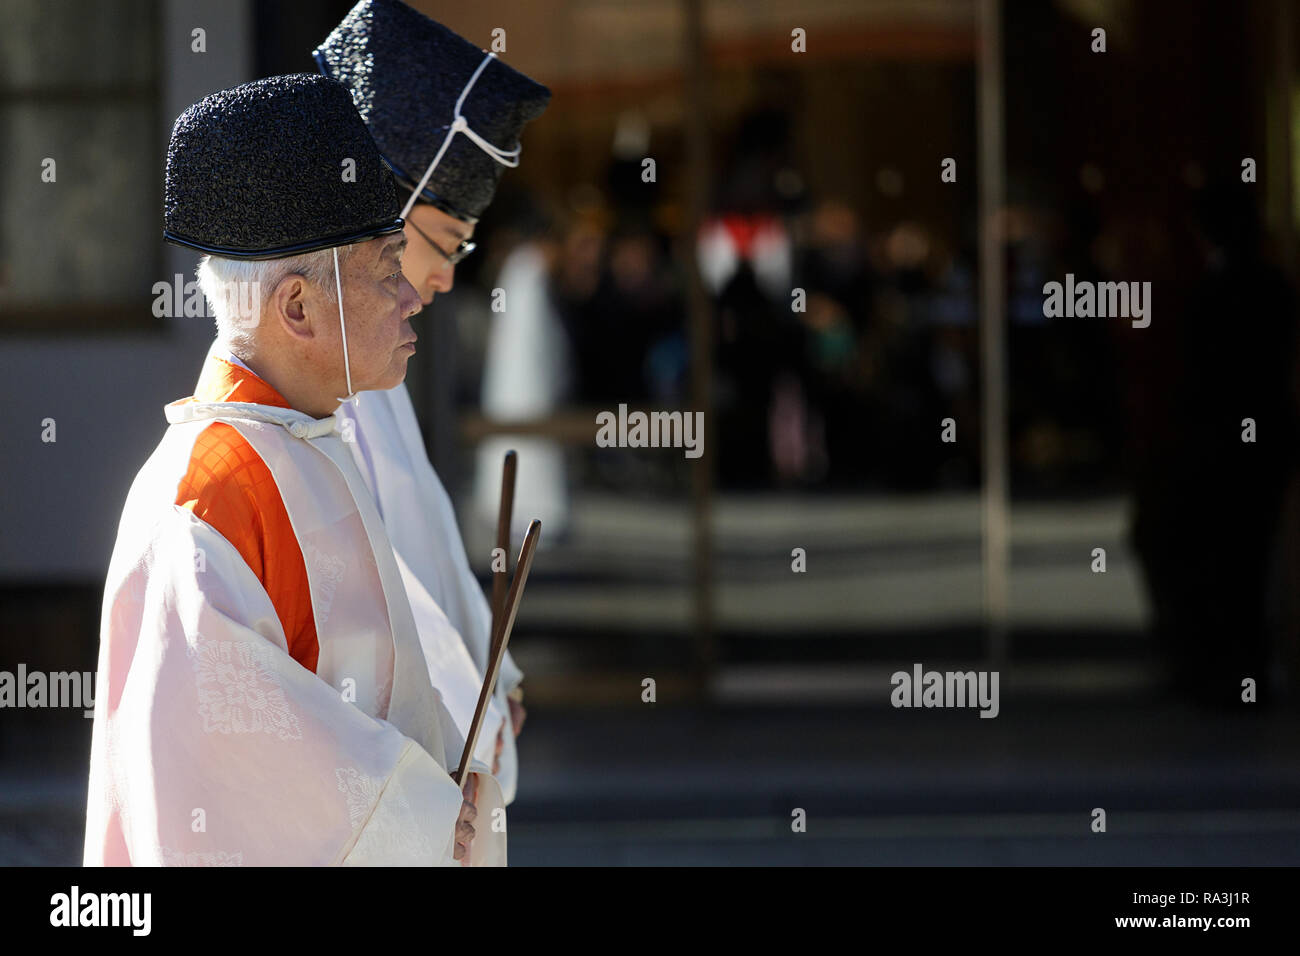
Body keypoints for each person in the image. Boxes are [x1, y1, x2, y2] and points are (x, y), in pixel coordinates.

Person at [84, 73, 504, 866]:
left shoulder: (309, 440)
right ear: (298, 309)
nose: (412, 296)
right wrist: (417, 814)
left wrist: (447, 778)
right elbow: (222, 773)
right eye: (387, 267)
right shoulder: (209, 492)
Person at [315, 0, 550, 803]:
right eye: (446, 243)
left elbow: (422, 542)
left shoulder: (373, 372)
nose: (448, 277)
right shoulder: (311, 383)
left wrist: (492, 675)